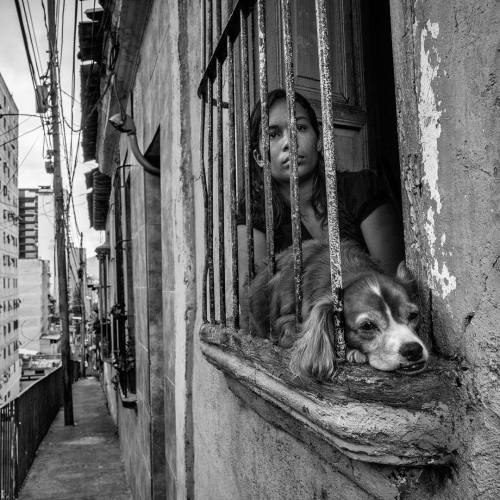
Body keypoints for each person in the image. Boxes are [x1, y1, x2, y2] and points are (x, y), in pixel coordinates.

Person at [236, 88, 404, 297]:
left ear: (318, 141)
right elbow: (257, 302)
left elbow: (395, 287)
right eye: (273, 134)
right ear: (259, 157)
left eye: (300, 127)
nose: (290, 142)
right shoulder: (256, 215)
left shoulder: (362, 189)